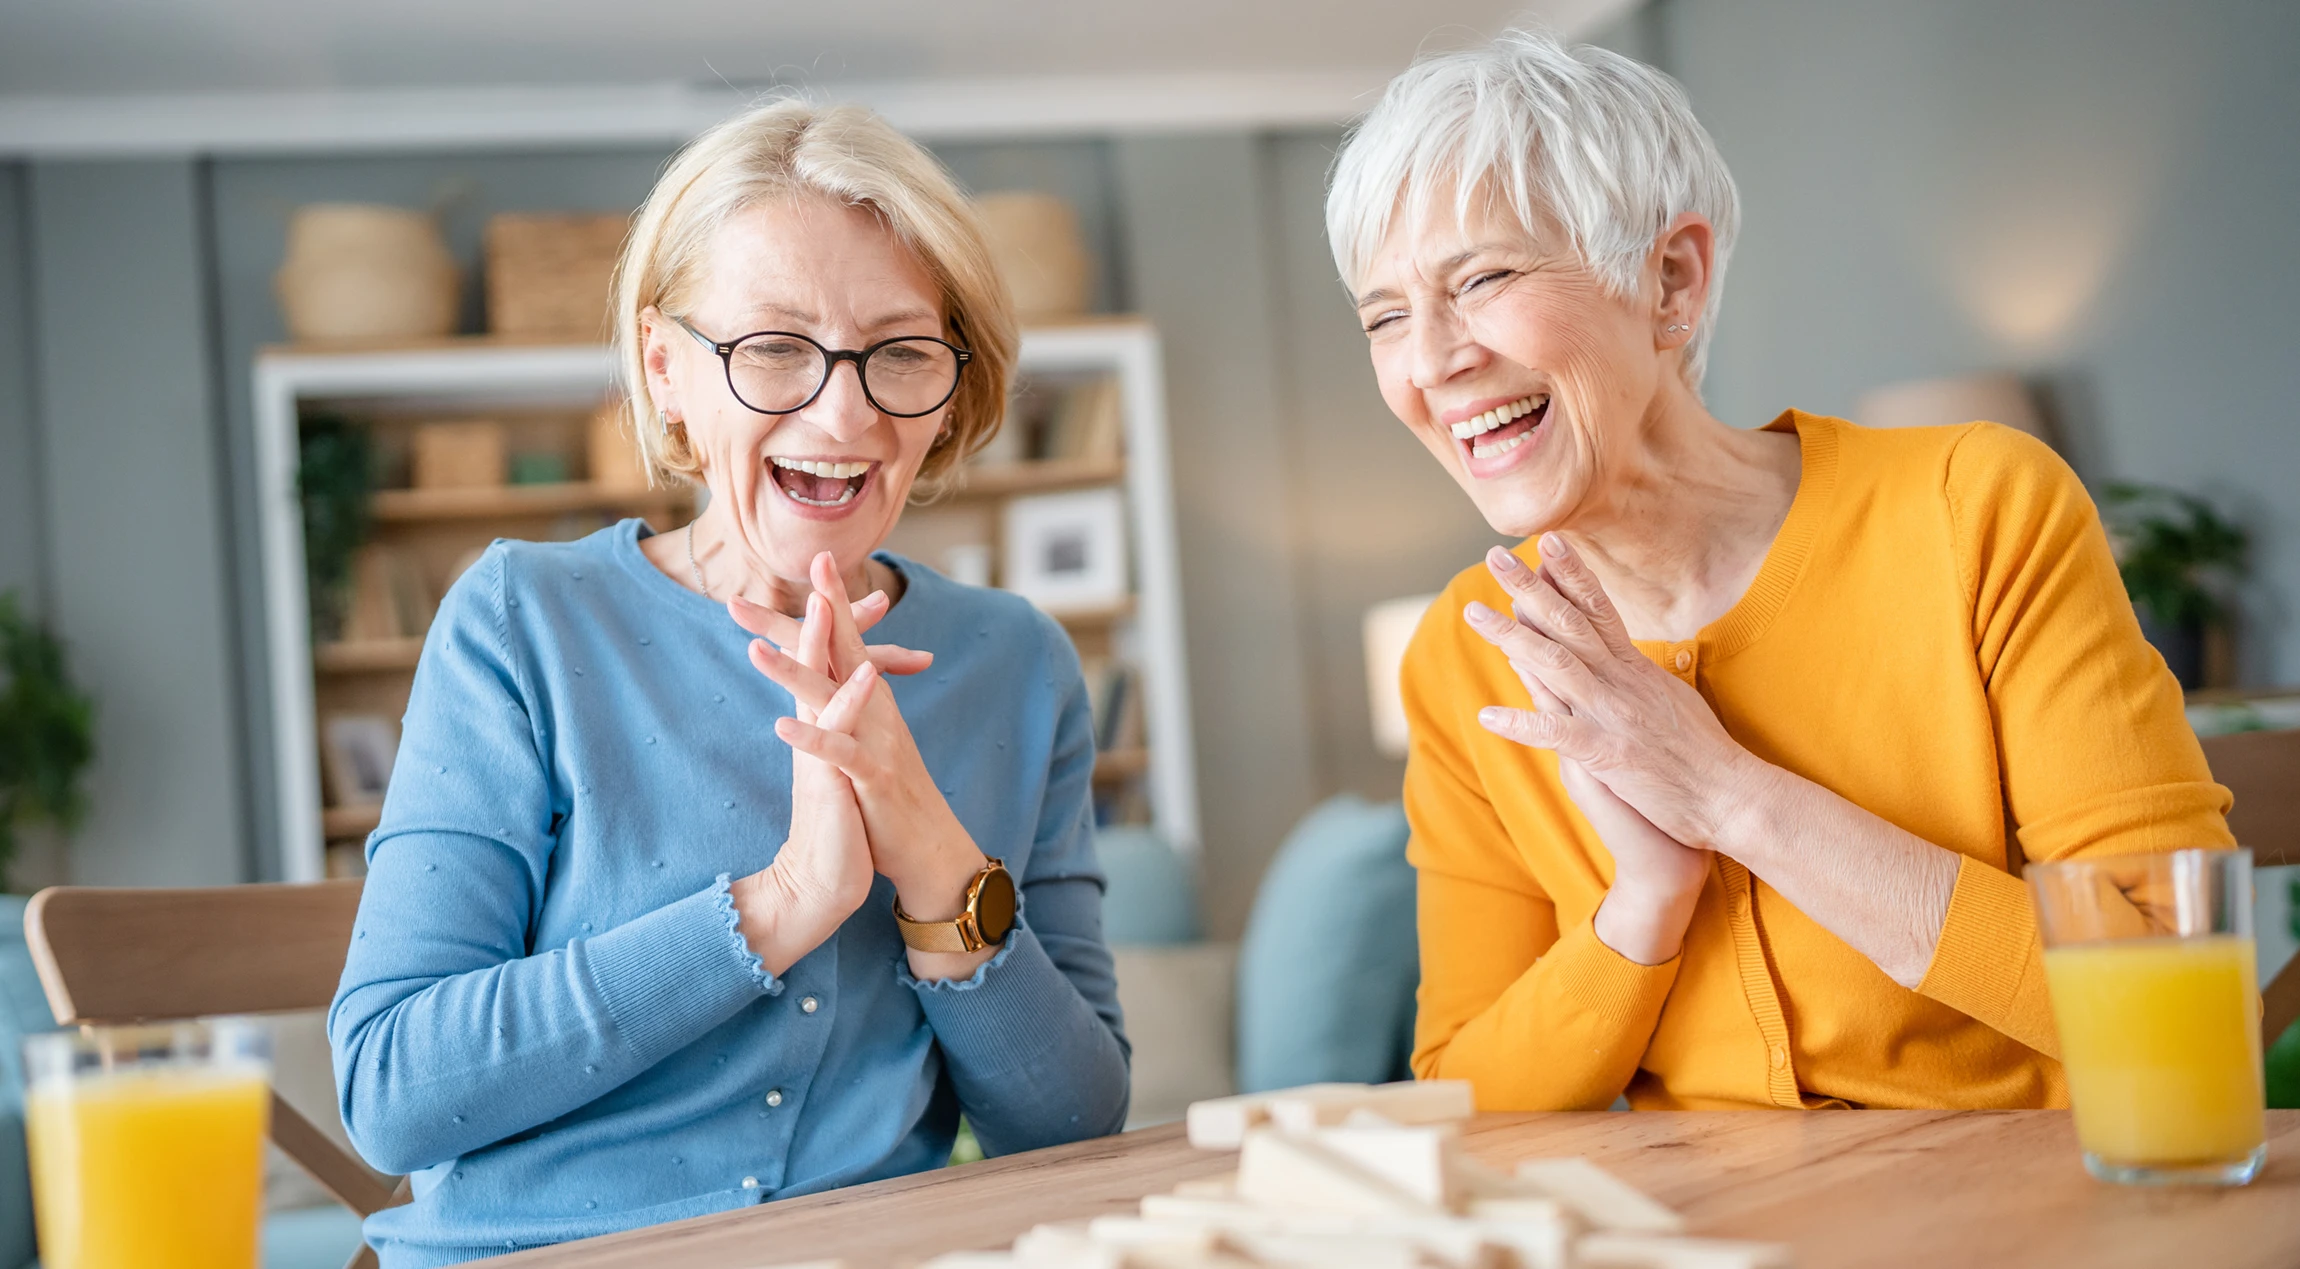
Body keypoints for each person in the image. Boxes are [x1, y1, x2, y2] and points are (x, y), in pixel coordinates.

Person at [1325, 30, 2232, 1111]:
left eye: (1480, 280)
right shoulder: (1465, 651)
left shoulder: (1972, 510)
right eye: (1385, 317)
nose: (1430, 361)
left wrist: (1729, 798)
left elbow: (2177, 1005)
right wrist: (1643, 905)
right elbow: (1470, 1090)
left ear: (1670, 279)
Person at [328, 99, 1129, 1266]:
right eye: (773, 350)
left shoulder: (1016, 663)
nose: (842, 413)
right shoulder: (523, 621)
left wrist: (928, 849)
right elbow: (392, 1090)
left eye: (900, 351)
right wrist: (787, 898)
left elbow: (1071, 1121)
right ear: (667, 370)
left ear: (951, 387)